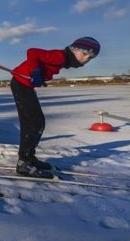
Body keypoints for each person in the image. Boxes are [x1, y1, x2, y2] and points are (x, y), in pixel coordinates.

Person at [10, 37, 101, 178]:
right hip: (21, 84)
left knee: (37, 122)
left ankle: (29, 158)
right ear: (73, 49)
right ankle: (24, 162)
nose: (86, 59)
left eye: (90, 58)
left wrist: (40, 75)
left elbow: (43, 65)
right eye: (84, 54)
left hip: (25, 85)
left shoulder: (62, 60)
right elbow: (32, 52)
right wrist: (34, 70)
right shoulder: (60, 56)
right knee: (33, 122)